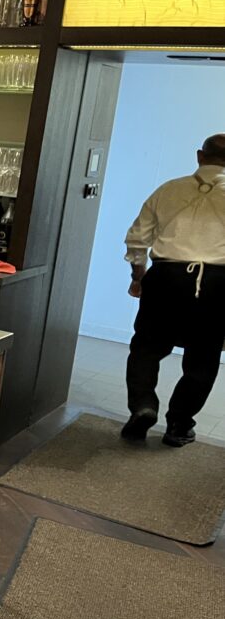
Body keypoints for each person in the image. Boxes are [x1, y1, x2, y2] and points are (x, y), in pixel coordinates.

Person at [120, 133, 225, 446]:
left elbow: (137, 239)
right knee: (203, 357)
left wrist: (138, 276)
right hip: (219, 283)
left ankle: (143, 406)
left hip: (167, 276)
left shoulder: (168, 189)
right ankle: (179, 424)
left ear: (199, 156)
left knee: (146, 348)